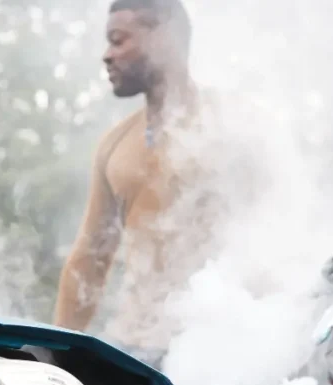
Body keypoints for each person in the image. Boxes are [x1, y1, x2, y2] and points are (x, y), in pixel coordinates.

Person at [53, 0, 228, 354]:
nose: (107, 55)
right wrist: (51, 352)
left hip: (214, 347)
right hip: (134, 346)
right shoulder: (115, 145)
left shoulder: (232, 126)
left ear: (164, 39)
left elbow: (278, 231)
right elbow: (90, 259)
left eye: (118, 40)